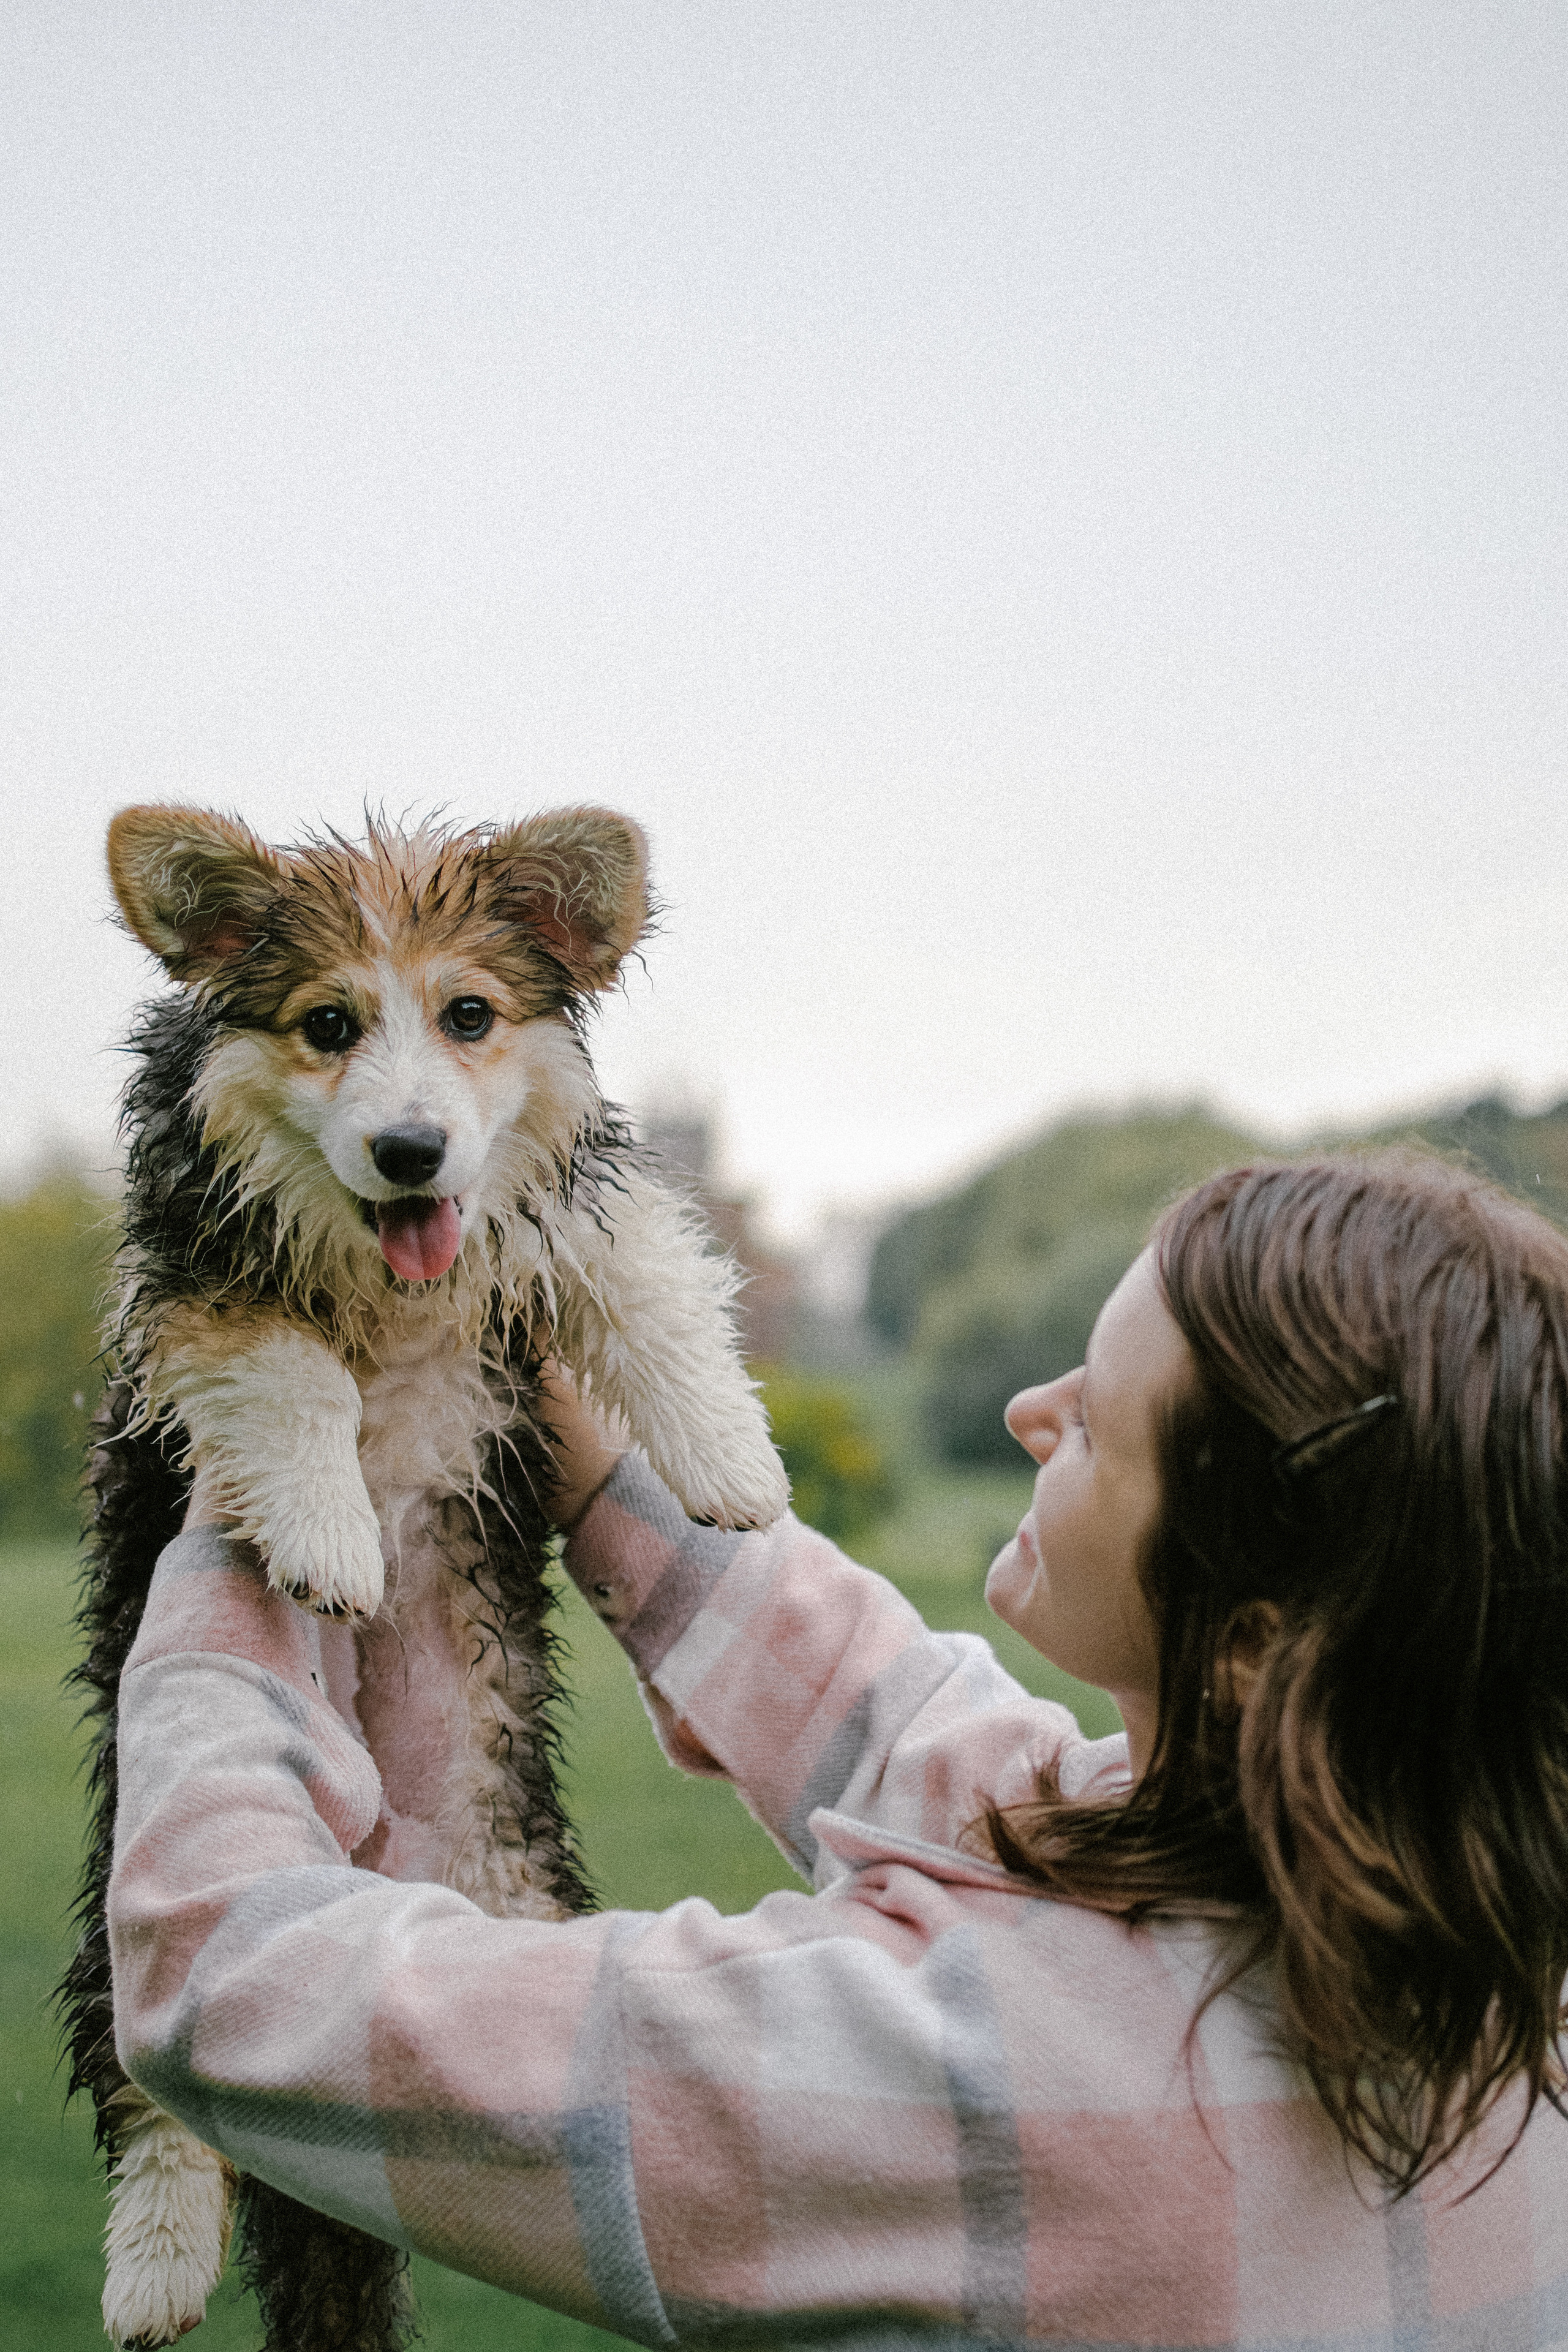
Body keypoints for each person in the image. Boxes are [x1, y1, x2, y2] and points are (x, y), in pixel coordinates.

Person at [109, 1150, 1568, 2348]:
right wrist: (602, 1470)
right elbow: (929, 1743)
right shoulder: (1492, 1946)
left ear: (1249, 1641)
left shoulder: (975, 2079)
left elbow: (234, 1971)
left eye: (1097, 1425)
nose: (1029, 1411)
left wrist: (253, 1494)